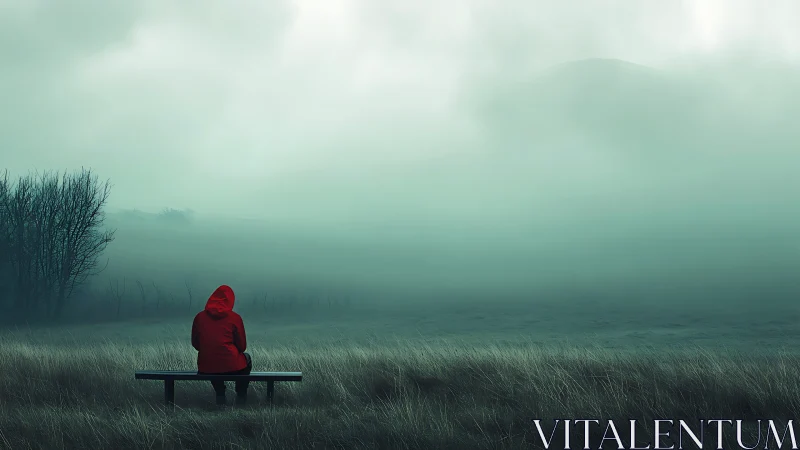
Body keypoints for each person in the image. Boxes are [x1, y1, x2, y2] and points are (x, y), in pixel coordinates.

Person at [191, 284, 252, 406]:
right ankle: (241, 396)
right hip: (233, 367)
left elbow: (196, 344)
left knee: (212, 361)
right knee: (247, 358)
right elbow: (242, 346)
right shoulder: (235, 318)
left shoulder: (199, 317)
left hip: (206, 367)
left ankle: (220, 394)